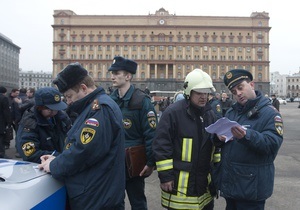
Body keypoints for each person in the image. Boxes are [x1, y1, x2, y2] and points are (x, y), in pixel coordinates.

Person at [38, 63, 125, 210]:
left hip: (96, 197)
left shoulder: (99, 109)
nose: (68, 101)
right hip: (97, 192)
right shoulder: (94, 107)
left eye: (69, 96)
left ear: (84, 88)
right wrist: (58, 158)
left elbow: (85, 151)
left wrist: (54, 165)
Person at [215, 69, 283, 210]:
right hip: (231, 187)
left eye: (240, 88)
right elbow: (225, 142)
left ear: (251, 85)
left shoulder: (270, 113)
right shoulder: (232, 112)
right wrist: (219, 137)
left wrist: (246, 136)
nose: (238, 93)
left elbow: (271, 144)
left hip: (251, 189)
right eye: (234, 92)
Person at [152, 68, 220, 210]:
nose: (204, 97)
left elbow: (214, 147)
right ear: (189, 92)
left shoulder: (210, 114)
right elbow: (161, 146)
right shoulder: (173, 113)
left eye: (206, 93)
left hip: (204, 189)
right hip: (180, 190)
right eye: (199, 93)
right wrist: (165, 176)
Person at [108, 56, 157, 209]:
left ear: (128, 76)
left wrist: (150, 163)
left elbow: (151, 134)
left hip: (134, 162)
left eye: (117, 73)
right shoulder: (110, 100)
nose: (112, 76)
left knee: (138, 202)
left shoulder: (142, 101)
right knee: (114, 202)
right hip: (113, 162)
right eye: (112, 73)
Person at [16, 87, 71, 163]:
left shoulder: (62, 117)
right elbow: (31, 154)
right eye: (50, 110)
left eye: (57, 108)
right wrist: (58, 157)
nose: (54, 112)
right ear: (40, 107)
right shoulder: (29, 123)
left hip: (62, 163)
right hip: (41, 167)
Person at [0, 86, 12, 158]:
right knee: (1, 137)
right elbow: (6, 111)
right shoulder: (4, 98)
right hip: (1, 121)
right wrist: (9, 122)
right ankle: (2, 153)